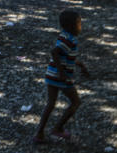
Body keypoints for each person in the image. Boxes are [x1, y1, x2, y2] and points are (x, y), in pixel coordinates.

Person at [33, 10, 90, 144]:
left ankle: (39, 133)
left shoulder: (64, 36)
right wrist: (62, 73)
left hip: (51, 75)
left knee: (50, 104)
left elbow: (65, 55)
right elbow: (55, 52)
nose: (81, 26)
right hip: (61, 78)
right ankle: (58, 128)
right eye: (79, 23)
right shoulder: (69, 39)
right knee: (75, 102)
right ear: (72, 26)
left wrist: (80, 64)